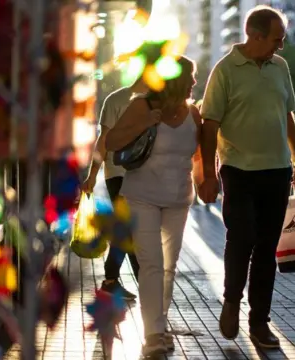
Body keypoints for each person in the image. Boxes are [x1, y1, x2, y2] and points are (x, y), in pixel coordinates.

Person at [198, 5, 295, 349]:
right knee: (242, 237)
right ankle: (232, 300)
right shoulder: (225, 70)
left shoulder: (281, 67)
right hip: (238, 170)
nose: (281, 45)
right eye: (277, 39)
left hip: (277, 172)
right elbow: (209, 124)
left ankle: (259, 322)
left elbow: (288, 116)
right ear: (255, 35)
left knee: (266, 249)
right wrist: (207, 174)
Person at [105, 56, 203, 357]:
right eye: (190, 76)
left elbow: (197, 155)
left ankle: (158, 326)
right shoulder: (142, 105)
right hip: (142, 196)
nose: (194, 83)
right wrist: (146, 123)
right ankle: (154, 335)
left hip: (178, 199)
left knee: (169, 268)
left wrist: (207, 181)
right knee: (151, 265)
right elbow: (111, 141)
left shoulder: (192, 113)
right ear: (174, 79)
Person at [81, 80, 148, 301]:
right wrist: (92, 175)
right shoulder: (116, 100)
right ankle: (146, 283)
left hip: (146, 175)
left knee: (128, 229)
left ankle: (111, 281)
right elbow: (103, 141)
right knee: (131, 230)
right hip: (118, 174)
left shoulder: (158, 102)